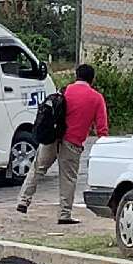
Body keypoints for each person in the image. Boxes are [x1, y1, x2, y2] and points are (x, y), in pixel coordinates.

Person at [16, 64, 109, 225]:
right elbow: (102, 127)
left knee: (37, 169)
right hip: (73, 142)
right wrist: (104, 146)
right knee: (68, 178)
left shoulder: (65, 90)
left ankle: (23, 201)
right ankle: (64, 214)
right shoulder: (96, 98)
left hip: (52, 137)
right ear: (92, 79)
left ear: (76, 76)